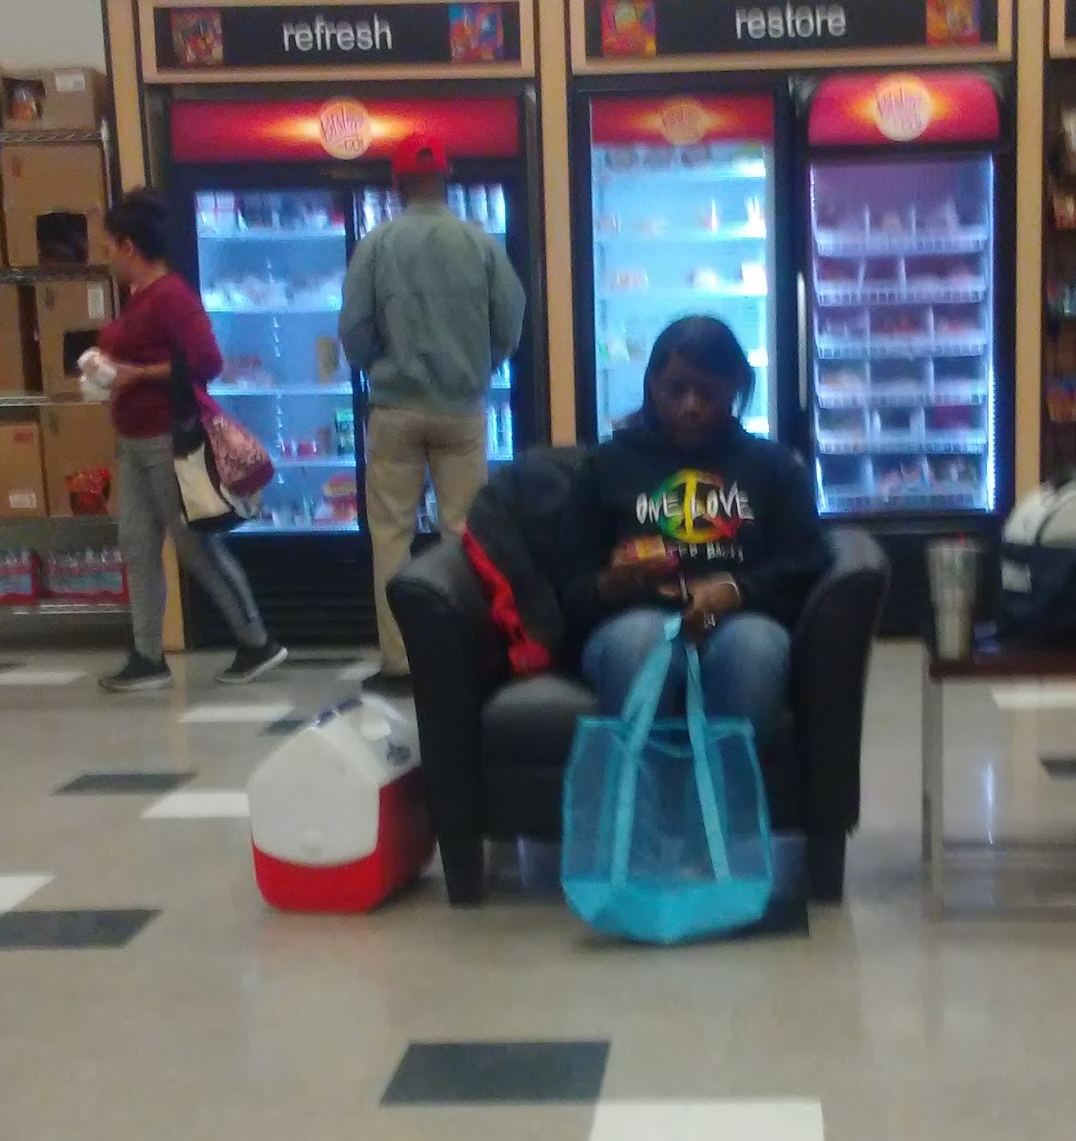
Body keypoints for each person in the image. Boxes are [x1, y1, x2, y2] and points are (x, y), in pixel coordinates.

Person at [556, 316, 827, 733]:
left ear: (735, 387)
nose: (691, 406)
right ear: (652, 386)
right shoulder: (605, 466)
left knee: (752, 648)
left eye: (707, 391)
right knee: (640, 641)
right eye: (675, 390)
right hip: (634, 620)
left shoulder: (774, 468)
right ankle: (639, 777)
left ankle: (728, 778)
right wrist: (609, 585)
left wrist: (734, 591)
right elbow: (566, 586)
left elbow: (807, 564)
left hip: (741, 621)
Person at [341, 133, 525, 696]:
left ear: (396, 184)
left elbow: (354, 329)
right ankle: (463, 651)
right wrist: (482, 364)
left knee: (391, 534)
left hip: (394, 408)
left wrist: (379, 366)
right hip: (462, 410)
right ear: (448, 180)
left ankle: (401, 662)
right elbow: (511, 321)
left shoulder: (376, 244)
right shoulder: (480, 243)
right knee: (464, 534)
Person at [94, 188, 286, 694]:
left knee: (193, 544)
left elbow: (207, 361)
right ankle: (146, 654)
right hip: (134, 438)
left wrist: (137, 374)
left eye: (110, 244)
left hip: (168, 438)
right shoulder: (140, 296)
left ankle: (257, 641)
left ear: (129, 246)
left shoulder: (171, 296)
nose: (106, 254)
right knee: (137, 545)